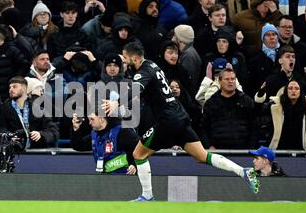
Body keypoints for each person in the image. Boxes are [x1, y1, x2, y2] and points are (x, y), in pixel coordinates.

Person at [103, 42, 260, 201]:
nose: (123, 61)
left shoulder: (143, 71)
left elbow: (136, 88)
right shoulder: (152, 65)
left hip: (167, 120)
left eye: (125, 57)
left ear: (134, 57)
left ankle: (147, 196)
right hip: (180, 117)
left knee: (139, 154)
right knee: (202, 156)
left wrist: (117, 102)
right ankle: (243, 171)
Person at [0, 76, 59, 149]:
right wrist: (9, 137)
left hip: (36, 153)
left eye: (14, 87)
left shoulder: (39, 109)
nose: (11, 90)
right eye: (10, 87)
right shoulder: (3, 109)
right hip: (13, 152)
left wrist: (41, 134)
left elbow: (53, 131)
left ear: (24, 88)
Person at [200, 68, 257, 150]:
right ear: (219, 81)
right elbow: (204, 128)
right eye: (227, 79)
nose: (230, 81)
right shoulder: (211, 103)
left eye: (233, 79)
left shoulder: (246, 101)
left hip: (243, 151)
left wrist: (251, 148)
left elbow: (254, 127)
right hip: (218, 152)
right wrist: (209, 146)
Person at [71, 110, 138, 175]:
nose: (89, 123)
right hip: (106, 178)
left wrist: (134, 164)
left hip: (126, 177)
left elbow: (140, 147)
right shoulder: (95, 135)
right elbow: (78, 145)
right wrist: (75, 129)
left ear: (101, 119)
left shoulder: (122, 132)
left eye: (92, 119)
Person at [268, 79, 306, 153]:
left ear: (300, 92)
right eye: (290, 88)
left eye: (297, 89)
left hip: (302, 150)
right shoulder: (276, 107)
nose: (293, 91)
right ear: (285, 91)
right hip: (279, 150)